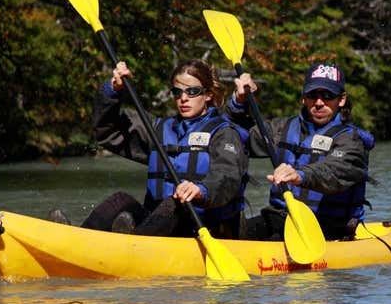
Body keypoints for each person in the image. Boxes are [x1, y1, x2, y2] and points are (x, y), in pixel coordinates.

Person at [51, 59, 250, 239]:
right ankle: (76, 240)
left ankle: (131, 245)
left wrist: (201, 190)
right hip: (157, 223)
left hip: (203, 227)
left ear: (207, 95)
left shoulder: (224, 133)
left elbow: (228, 177)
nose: (183, 98)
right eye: (177, 92)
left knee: (176, 203)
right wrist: (113, 90)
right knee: (120, 200)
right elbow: (107, 130)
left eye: (192, 92)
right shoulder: (159, 129)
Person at [227, 62, 374, 240]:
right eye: (313, 95)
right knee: (231, 230)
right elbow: (232, 137)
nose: (319, 103)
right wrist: (239, 103)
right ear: (303, 97)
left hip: (327, 226)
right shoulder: (281, 129)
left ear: (341, 99)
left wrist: (299, 175)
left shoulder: (351, 140)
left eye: (328, 95)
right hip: (279, 218)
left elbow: (334, 171)